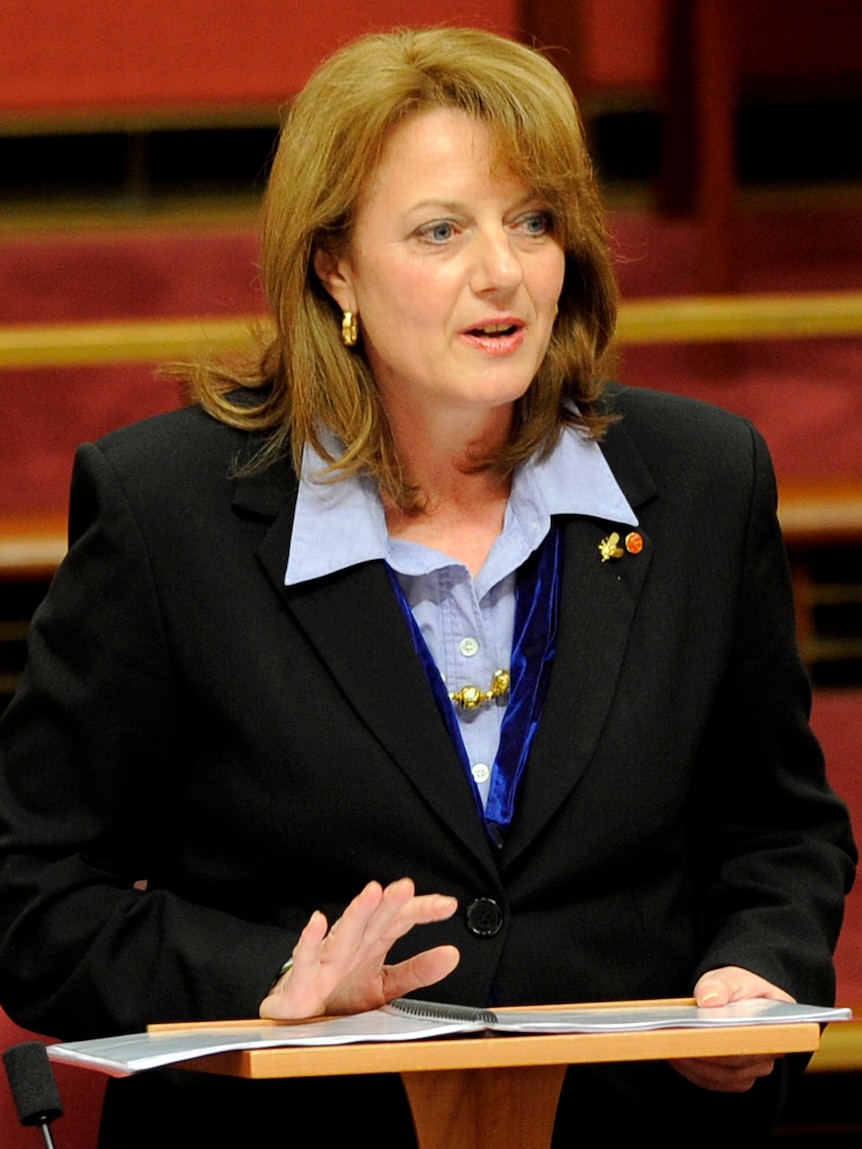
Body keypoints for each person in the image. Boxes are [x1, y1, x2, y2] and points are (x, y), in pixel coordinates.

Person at [0, 26, 854, 1146]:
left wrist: (756, 970)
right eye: (440, 230)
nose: (501, 270)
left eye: (533, 222)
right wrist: (269, 977)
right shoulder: (169, 514)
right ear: (334, 266)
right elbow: (38, 892)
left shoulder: (698, 482)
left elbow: (776, 830)